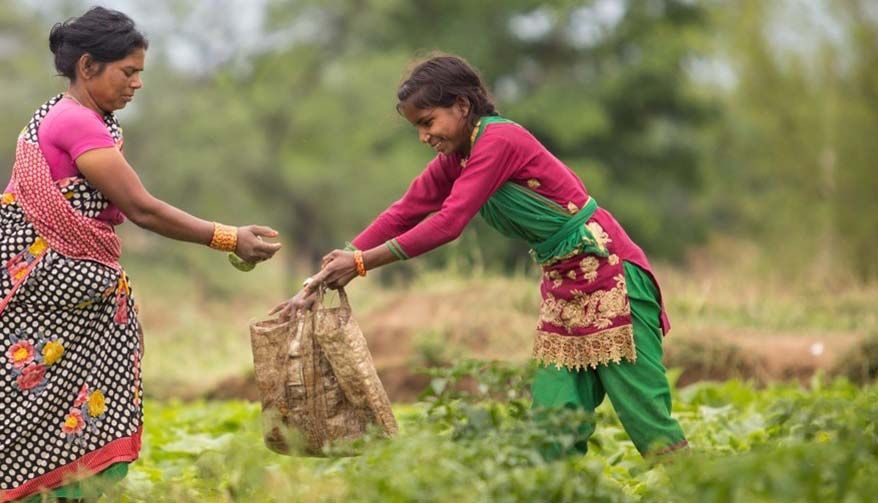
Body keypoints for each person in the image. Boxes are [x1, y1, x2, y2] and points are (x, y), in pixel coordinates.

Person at [275, 54, 686, 460]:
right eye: (417, 127)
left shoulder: (499, 141)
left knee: (649, 424)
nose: (424, 136)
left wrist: (362, 264)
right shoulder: (456, 159)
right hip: (563, 290)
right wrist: (322, 277)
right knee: (552, 429)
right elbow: (404, 212)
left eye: (427, 122)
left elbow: (449, 223)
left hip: (612, 277)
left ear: (462, 106)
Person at [0, 7, 281, 501]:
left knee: (37, 409)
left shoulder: (64, 116)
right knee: (14, 408)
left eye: (140, 72)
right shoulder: (78, 124)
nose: (137, 84)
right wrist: (229, 237)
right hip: (32, 288)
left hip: (39, 290)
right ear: (87, 67)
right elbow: (142, 209)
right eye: (128, 71)